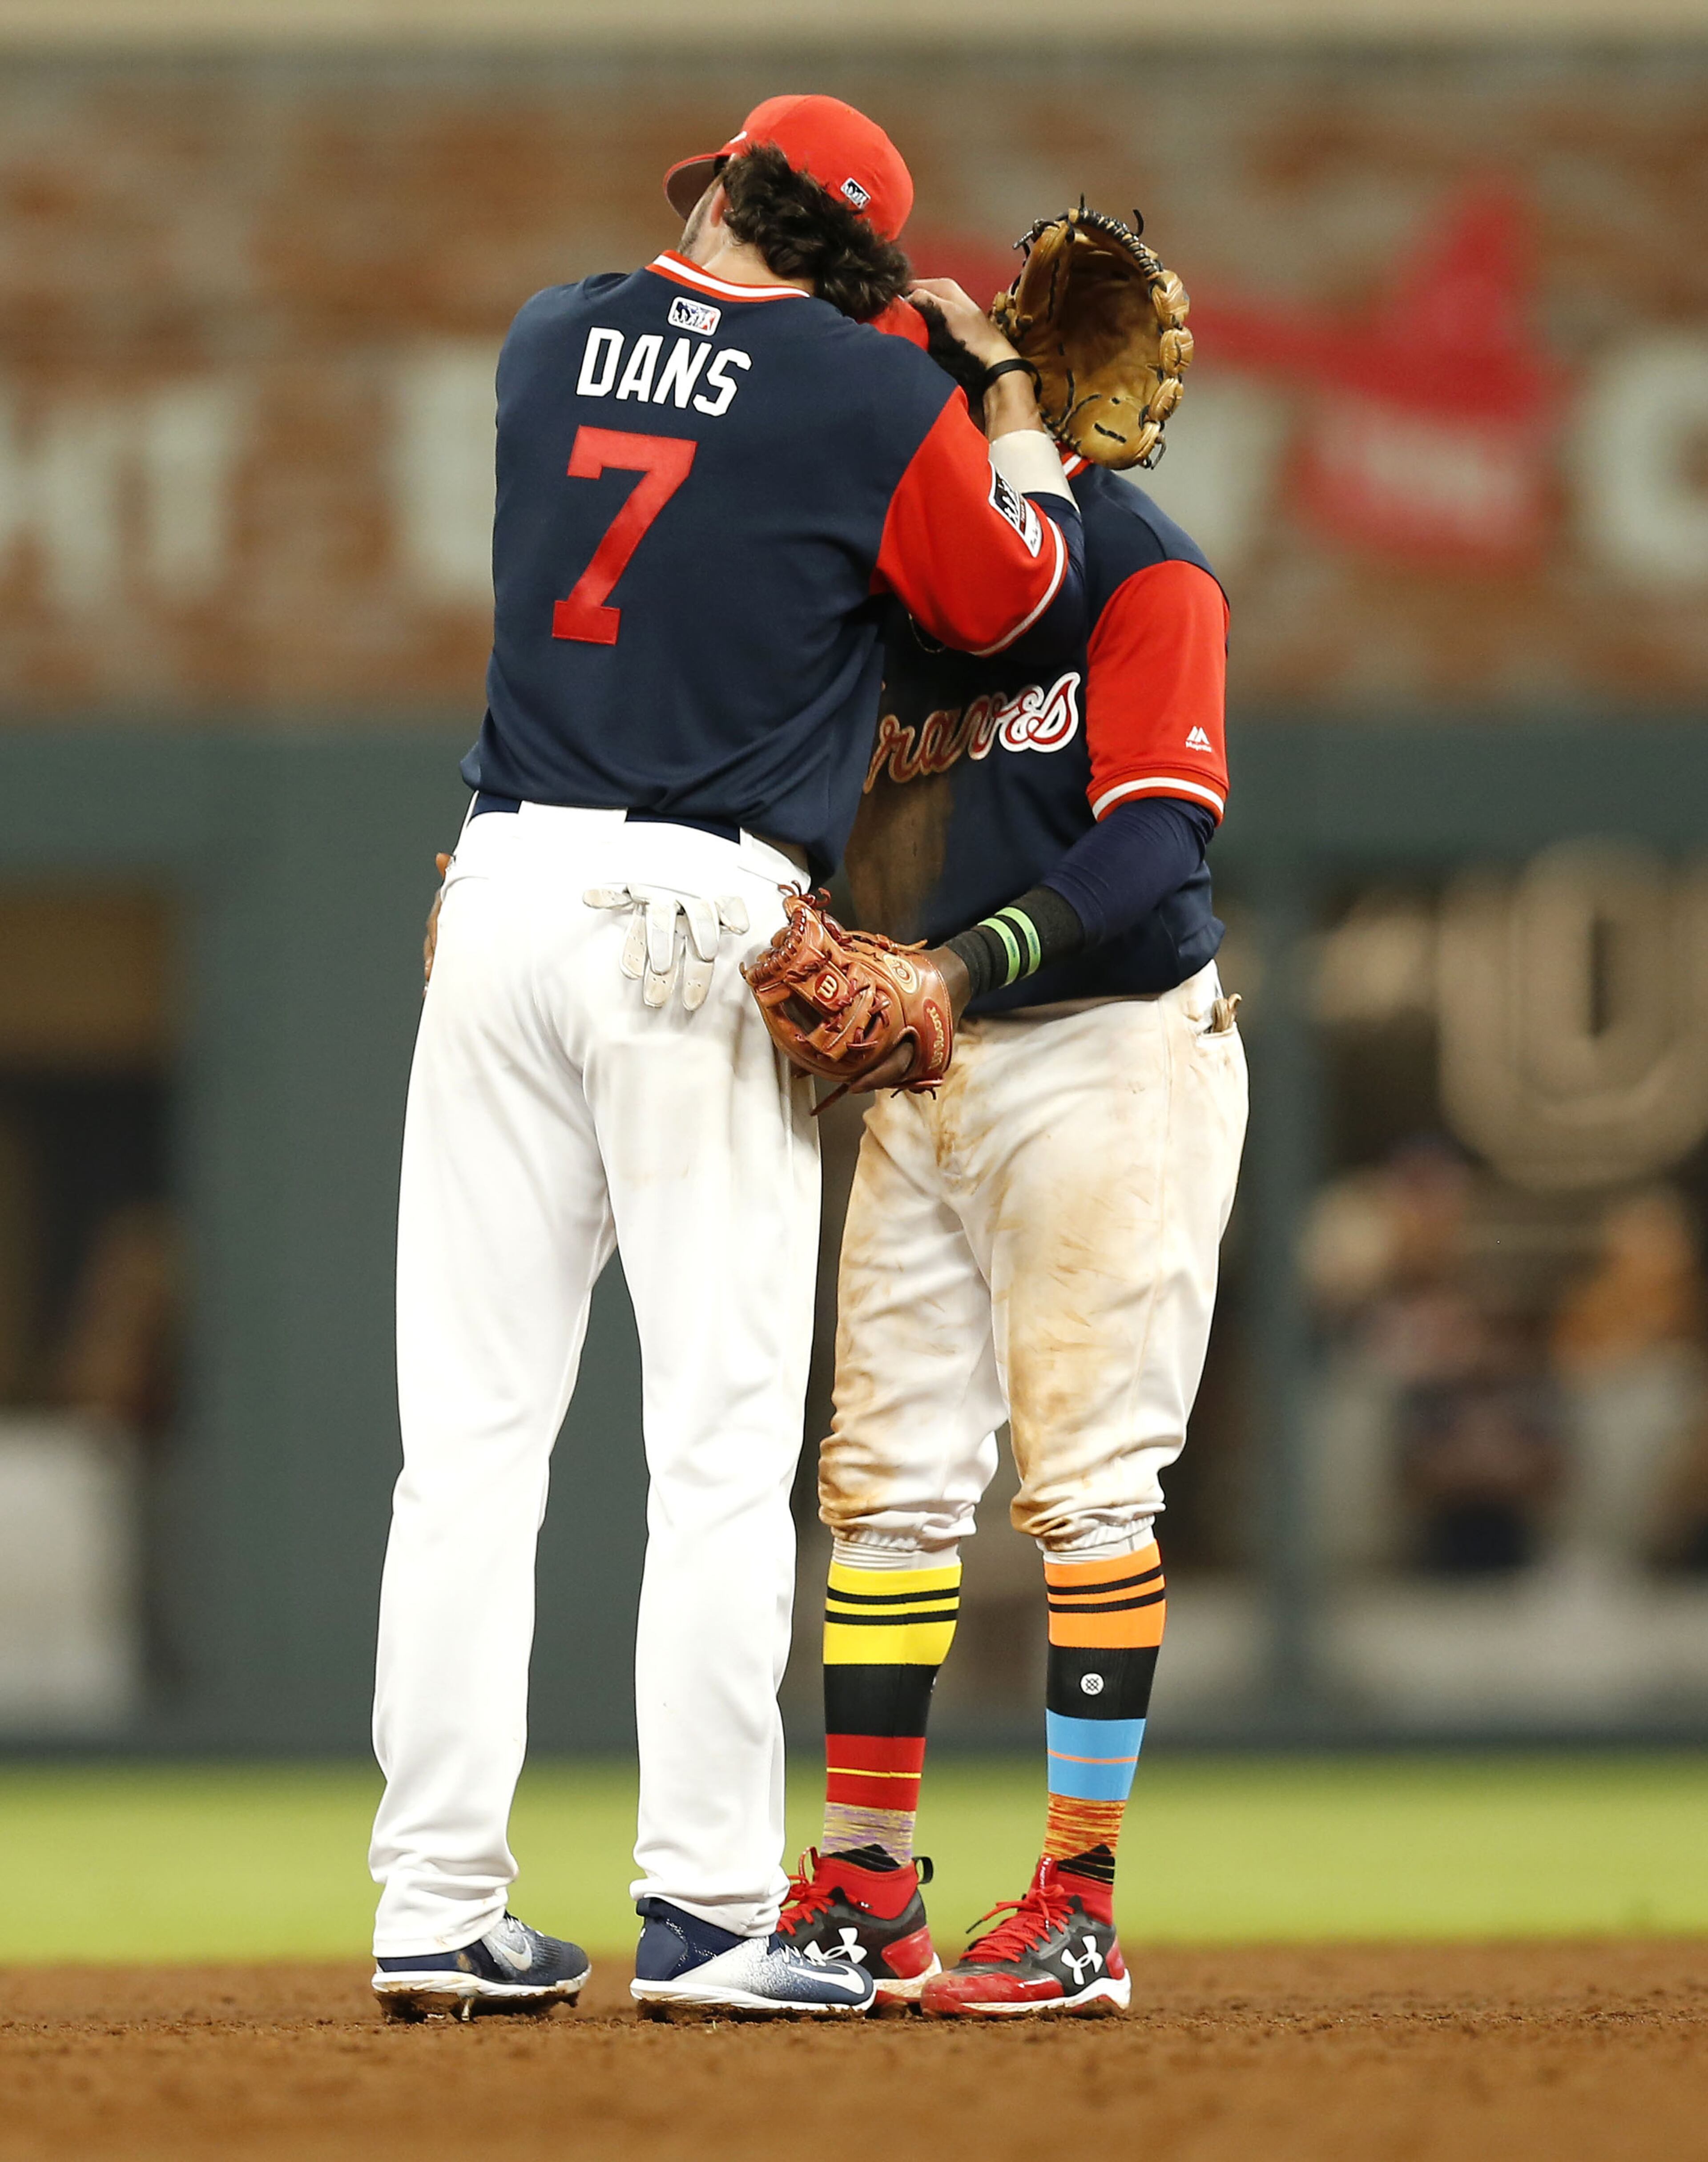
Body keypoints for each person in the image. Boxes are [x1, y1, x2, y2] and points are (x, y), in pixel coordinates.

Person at [369, 93, 1086, 2022]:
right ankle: (698, 1914)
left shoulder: (542, 332)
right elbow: (1014, 598)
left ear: (719, 192)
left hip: (501, 885)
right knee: (713, 1449)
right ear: (864, 267)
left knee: (464, 1453)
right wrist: (994, 385)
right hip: (698, 916)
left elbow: (682, 404)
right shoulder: (873, 402)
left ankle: (433, 1908)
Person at [769, 238, 1248, 2016]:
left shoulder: (1142, 567)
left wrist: (959, 968)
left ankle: (1079, 1904)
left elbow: (1149, 850)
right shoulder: (896, 605)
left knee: (1088, 1484)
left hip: (1106, 1052)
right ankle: (870, 1885)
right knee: (883, 1483)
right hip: (936, 1064)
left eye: (949, 395)